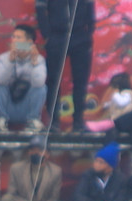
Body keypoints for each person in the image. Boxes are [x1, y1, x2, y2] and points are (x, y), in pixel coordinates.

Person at [36, 0, 96, 132]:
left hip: (80, 35)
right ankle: (53, 122)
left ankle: (79, 122)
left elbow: (91, 7)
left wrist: (89, 31)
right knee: (53, 81)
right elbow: (40, 9)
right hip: (56, 36)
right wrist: (47, 34)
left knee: (80, 81)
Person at [0, 24, 47, 131]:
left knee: (41, 87)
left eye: (18, 38)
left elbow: (39, 83)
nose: (14, 40)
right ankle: (1, 121)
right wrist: (10, 61)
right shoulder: (3, 58)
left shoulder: (39, 60)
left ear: (29, 42)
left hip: (26, 108)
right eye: (13, 37)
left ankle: (33, 121)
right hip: (8, 106)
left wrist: (34, 62)